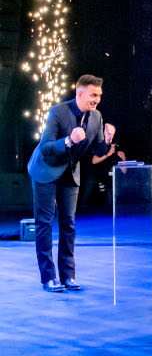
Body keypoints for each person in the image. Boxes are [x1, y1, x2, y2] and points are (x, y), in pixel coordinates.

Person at [28, 74, 116, 292]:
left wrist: (107, 140)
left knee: (68, 223)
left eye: (99, 96)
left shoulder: (97, 117)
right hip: (46, 169)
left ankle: (68, 276)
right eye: (93, 95)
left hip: (70, 172)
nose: (97, 100)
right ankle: (48, 278)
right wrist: (68, 140)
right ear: (80, 93)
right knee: (45, 223)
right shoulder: (59, 111)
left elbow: (98, 152)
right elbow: (46, 146)